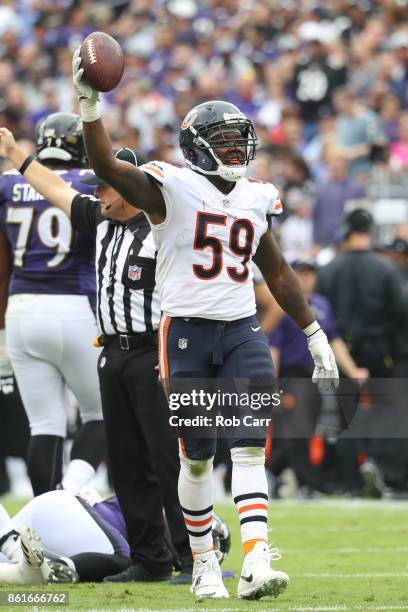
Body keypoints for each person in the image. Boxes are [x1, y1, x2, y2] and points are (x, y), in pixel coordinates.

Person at [70, 48, 339, 602]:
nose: (236, 149)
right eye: (223, 141)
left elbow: (278, 271)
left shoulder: (256, 196)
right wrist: (91, 106)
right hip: (186, 333)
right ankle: (203, 563)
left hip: (242, 330)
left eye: (240, 139)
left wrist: (313, 334)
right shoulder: (169, 187)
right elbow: (105, 168)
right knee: (196, 456)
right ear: (197, 147)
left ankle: (258, 560)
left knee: (246, 448)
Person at [0, 131, 191, 584]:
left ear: (128, 187)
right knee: (126, 463)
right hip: (111, 354)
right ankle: (151, 559)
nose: (96, 193)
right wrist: (15, 155)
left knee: (168, 459)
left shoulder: (164, 226)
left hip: (153, 353)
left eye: (104, 185)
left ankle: (193, 555)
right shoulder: (100, 221)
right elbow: (57, 190)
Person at [0, 112, 105, 496]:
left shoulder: (8, 184)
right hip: (75, 307)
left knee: (44, 424)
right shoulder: (92, 182)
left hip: (22, 309)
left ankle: (44, 516)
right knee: (103, 415)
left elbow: (2, 266)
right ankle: (69, 492)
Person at [316, 209, 406, 496]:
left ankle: (347, 480)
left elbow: (318, 312)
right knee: (386, 413)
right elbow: (400, 313)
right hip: (380, 351)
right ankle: (382, 469)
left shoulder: (329, 270)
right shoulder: (386, 269)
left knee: (345, 416)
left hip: (339, 349)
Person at [268, 259, 369, 496]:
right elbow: (274, 348)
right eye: (301, 274)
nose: (306, 279)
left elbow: (333, 340)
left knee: (307, 429)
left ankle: (274, 473)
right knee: (298, 429)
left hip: (317, 375)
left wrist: (352, 370)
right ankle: (307, 483)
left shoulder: (322, 305)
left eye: (310, 274)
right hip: (293, 376)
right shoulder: (282, 306)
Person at [0, 491, 230, 584]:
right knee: (124, 559)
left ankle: (29, 566)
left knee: (8, 562)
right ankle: (53, 570)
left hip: (54, 527)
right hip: (68, 510)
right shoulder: (154, 502)